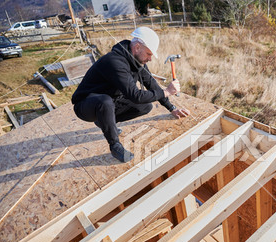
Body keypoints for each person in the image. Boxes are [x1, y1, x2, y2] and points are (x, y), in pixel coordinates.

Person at [72, 27, 189, 162]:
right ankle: (115, 146)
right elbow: (135, 95)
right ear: (137, 47)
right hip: (86, 105)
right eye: (149, 54)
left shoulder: (137, 62)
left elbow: (151, 83)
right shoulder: (115, 62)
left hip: (110, 101)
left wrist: (172, 108)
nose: (150, 59)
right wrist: (167, 91)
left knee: (145, 106)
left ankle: (104, 121)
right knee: (104, 101)